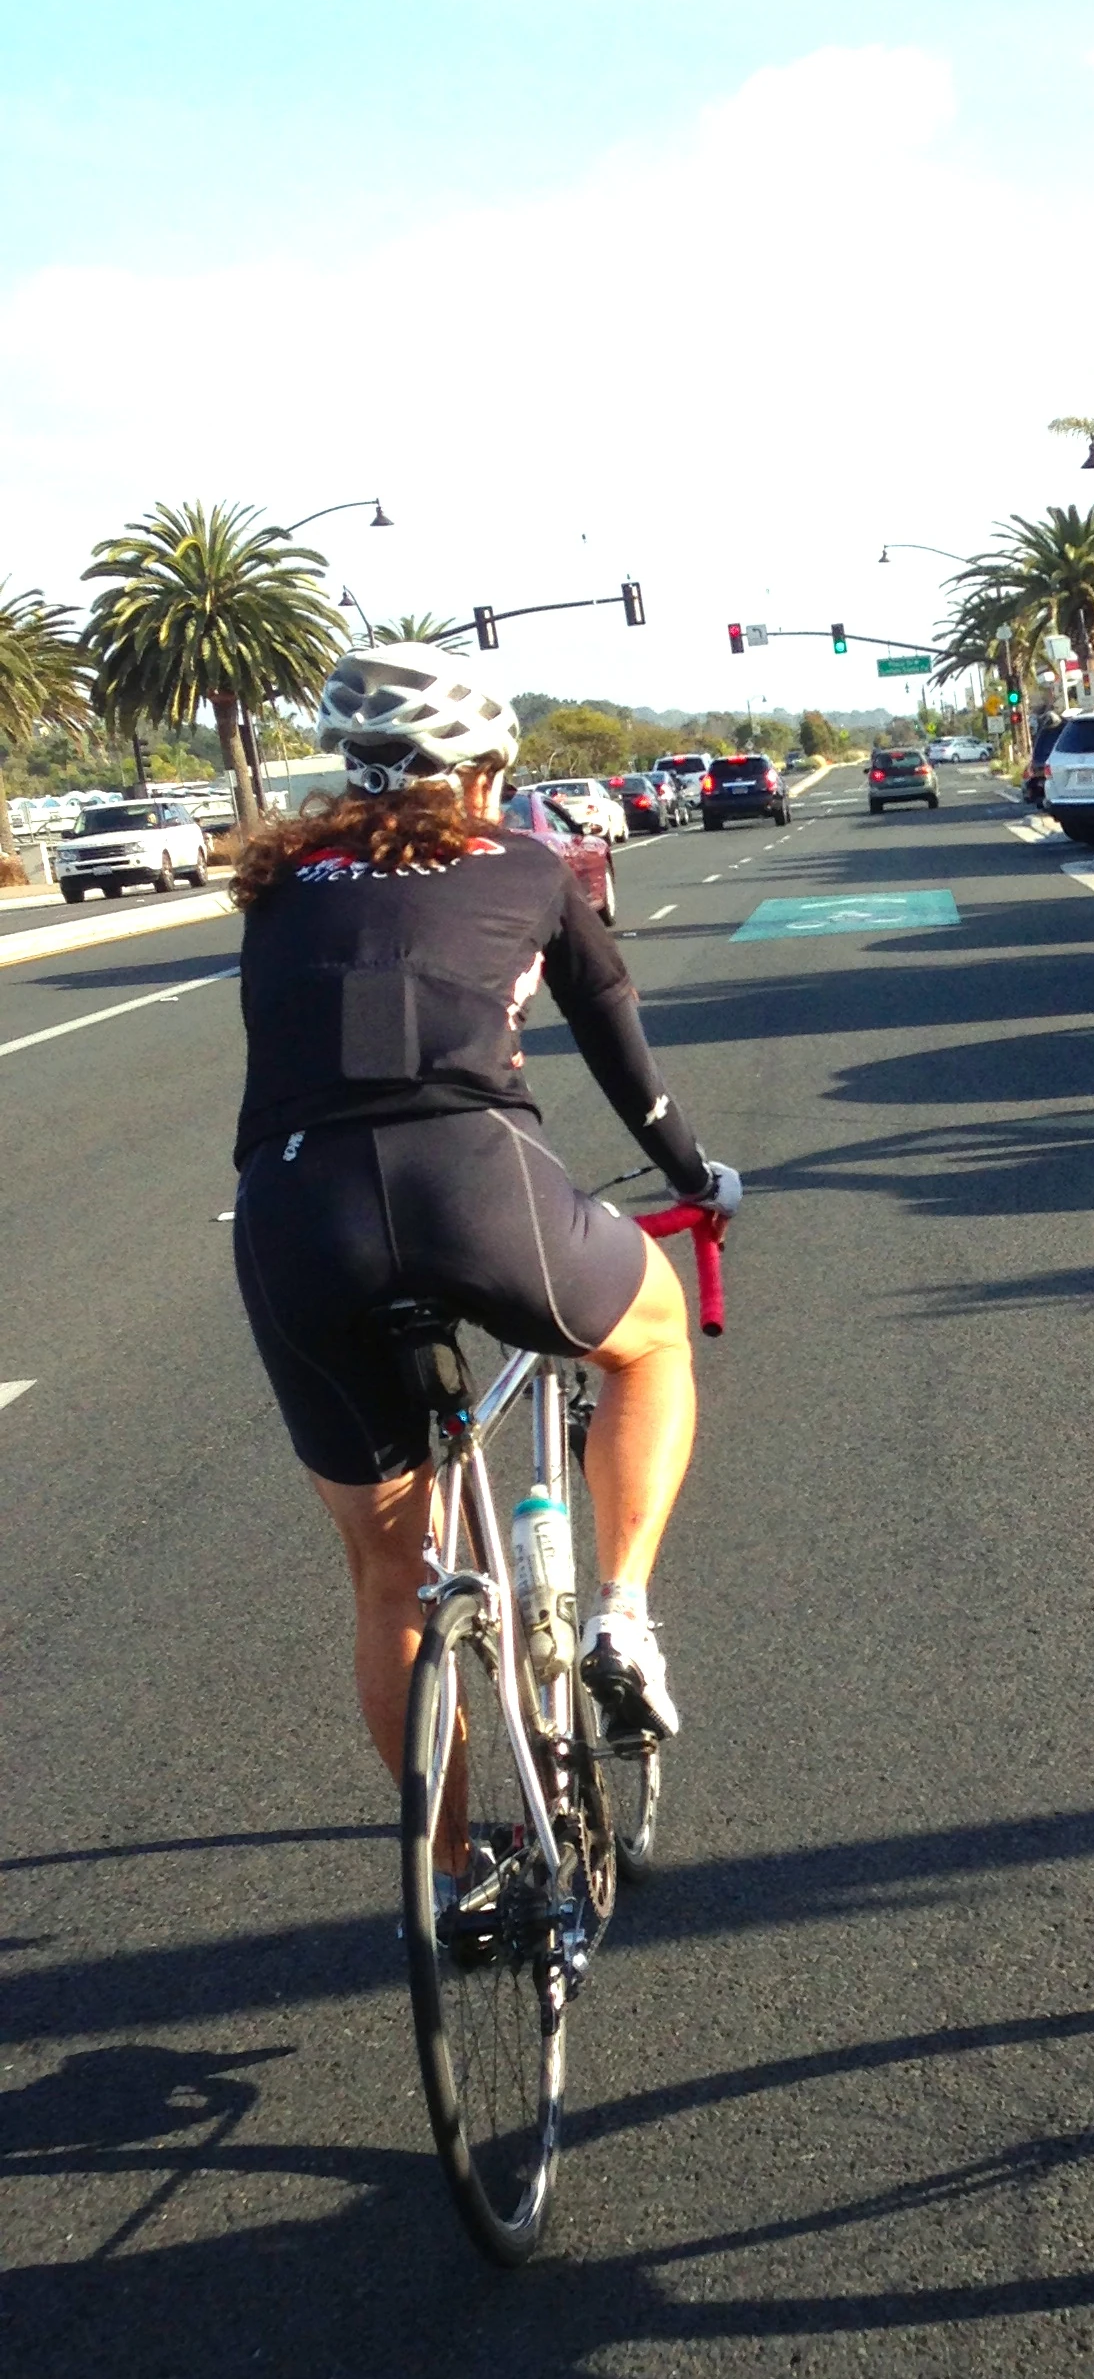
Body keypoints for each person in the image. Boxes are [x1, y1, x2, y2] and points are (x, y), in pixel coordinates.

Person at [229, 644, 739, 1791]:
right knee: (650, 1344)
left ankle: (455, 1881)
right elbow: (614, 1039)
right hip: (476, 1186)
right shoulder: (525, 860)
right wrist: (692, 1173)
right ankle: (621, 1617)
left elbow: (352, 1024)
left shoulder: (275, 881)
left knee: (387, 1577)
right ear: (480, 772)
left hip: (297, 1210)